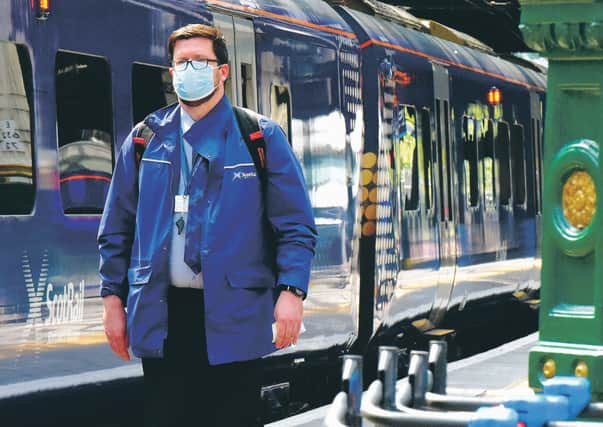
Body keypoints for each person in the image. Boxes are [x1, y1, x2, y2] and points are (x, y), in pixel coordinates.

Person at [98, 23, 317, 427]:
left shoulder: (259, 137)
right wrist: (112, 299)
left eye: (201, 61)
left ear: (223, 71)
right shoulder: (146, 139)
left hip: (234, 314)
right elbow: (117, 228)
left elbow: (295, 227)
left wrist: (291, 292)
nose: (189, 69)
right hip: (163, 315)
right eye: (182, 62)